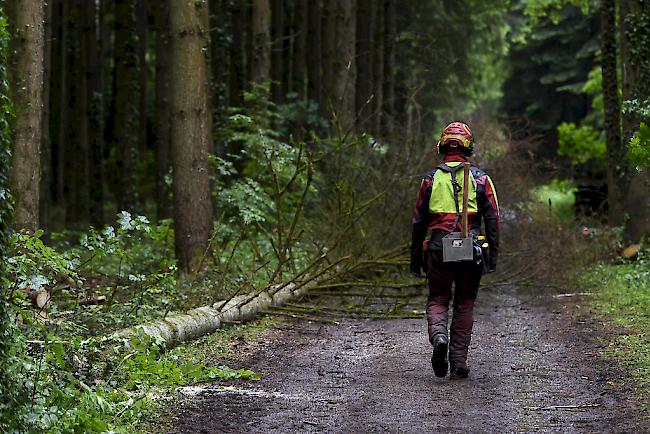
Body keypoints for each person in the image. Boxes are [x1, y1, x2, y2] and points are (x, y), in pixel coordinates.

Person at [410, 121, 499, 379]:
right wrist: (492, 254)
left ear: (441, 147)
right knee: (465, 301)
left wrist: (415, 258)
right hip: (470, 247)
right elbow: (493, 219)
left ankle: (439, 337)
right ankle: (458, 360)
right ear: (469, 147)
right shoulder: (481, 179)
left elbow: (418, 222)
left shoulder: (429, 179)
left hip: (438, 247)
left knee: (438, 298)